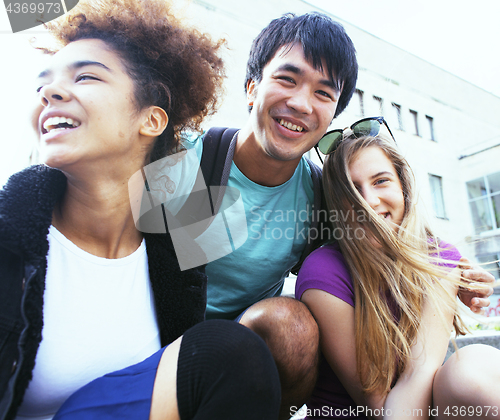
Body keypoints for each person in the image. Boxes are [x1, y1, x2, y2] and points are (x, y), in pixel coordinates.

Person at [187, 12, 495, 419]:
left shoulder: (319, 194)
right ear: (251, 88)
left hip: (250, 351)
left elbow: (388, 244)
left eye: (322, 92)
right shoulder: (190, 163)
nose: (300, 103)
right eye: (286, 79)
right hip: (169, 343)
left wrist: (457, 276)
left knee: (289, 323)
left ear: (332, 113)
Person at [0, 1, 280, 419]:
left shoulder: (175, 261)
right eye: (44, 83)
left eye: (86, 76)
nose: (50, 92)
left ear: (151, 121)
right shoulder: (9, 241)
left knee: (232, 352)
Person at [295, 117, 500, 419]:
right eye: (351, 191)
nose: (369, 202)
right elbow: (374, 402)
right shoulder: (324, 270)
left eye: (381, 181)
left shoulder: (441, 257)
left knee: (472, 367)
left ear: (403, 186)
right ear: (336, 206)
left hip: (420, 406)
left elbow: (422, 369)